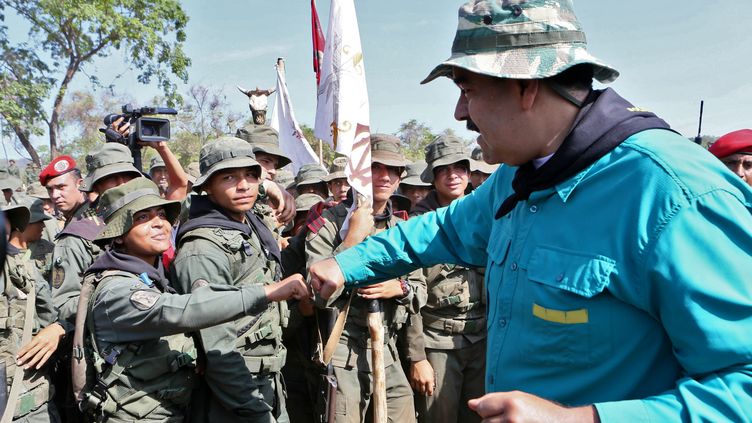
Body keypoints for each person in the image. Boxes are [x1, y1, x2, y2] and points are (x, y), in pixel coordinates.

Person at [308, 1, 752, 421]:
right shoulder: (520, 177)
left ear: (526, 86)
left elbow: (742, 386)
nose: (461, 112)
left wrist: (582, 418)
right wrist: (347, 265)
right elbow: (437, 231)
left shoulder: (674, 194)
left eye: (468, 89)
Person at [76, 177, 307, 422]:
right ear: (119, 235)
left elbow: (200, 197)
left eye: (162, 215)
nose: (159, 224)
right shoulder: (118, 290)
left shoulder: (153, 276)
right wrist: (266, 292)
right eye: (142, 217)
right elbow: (186, 310)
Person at [170, 137, 301, 422]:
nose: (244, 186)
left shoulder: (247, 222)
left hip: (267, 379)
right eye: (229, 177)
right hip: (234, 394)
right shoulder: (202, 247)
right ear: (207, 187)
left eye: (251, 176)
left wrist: (271, 188)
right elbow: (218, 349)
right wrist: (254, 412)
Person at [305, 134, 425, 423]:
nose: (384, 176)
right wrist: (351, 241)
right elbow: (315, 296)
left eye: (392, 170)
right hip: (344, 350)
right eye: (375, 168)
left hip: (388, 349)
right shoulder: (329, 225)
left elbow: (421, 290)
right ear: (358, 173)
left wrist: (399, 287)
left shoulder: (404, 228)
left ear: (399, 178)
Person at [407, 135, 486, 423]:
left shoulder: (485, 212)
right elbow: (409, 298)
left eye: (460, 168)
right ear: (433, 176)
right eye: (444, 169)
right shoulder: (417, 224)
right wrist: (417, 358)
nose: (453, 176)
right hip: (437, 343)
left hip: (482, 338)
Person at [1, 203, 65, 423]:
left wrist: (56, 330)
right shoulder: (21, 267)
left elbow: (52, 319)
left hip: (25, 403)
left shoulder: (23, 270)